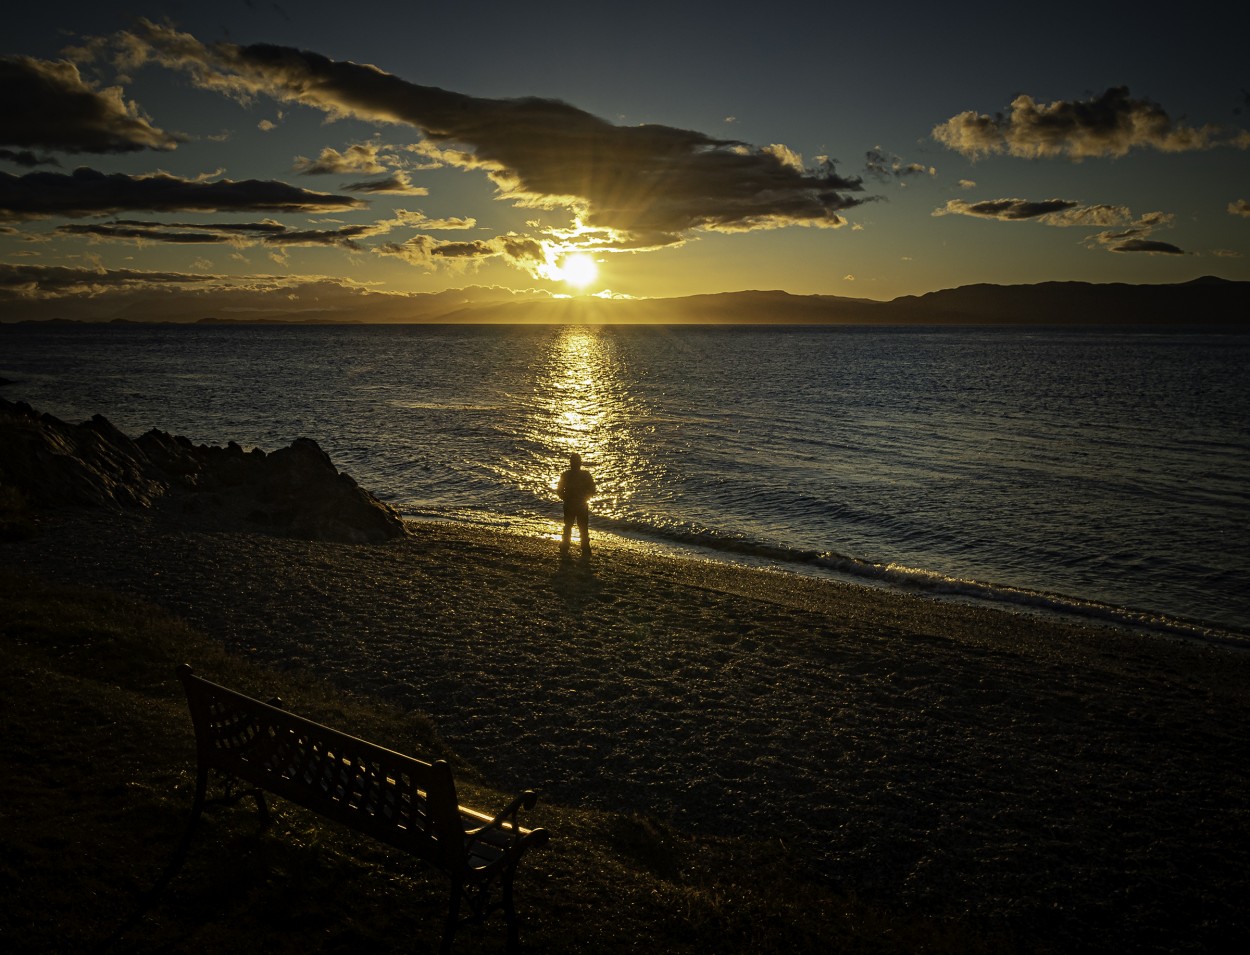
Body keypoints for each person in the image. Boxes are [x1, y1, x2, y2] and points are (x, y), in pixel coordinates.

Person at [557, 452, 597, 556]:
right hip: (580, 504)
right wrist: (585, 497)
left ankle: (565, 546)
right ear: (580, 463)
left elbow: (559, 491)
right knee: (582, 527)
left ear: (571, 463)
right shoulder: (585, 475)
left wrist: (566, 498)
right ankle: (585, 548)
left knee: (568, 526)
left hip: (571, 504)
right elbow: (593, 490)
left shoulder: (566, 475)